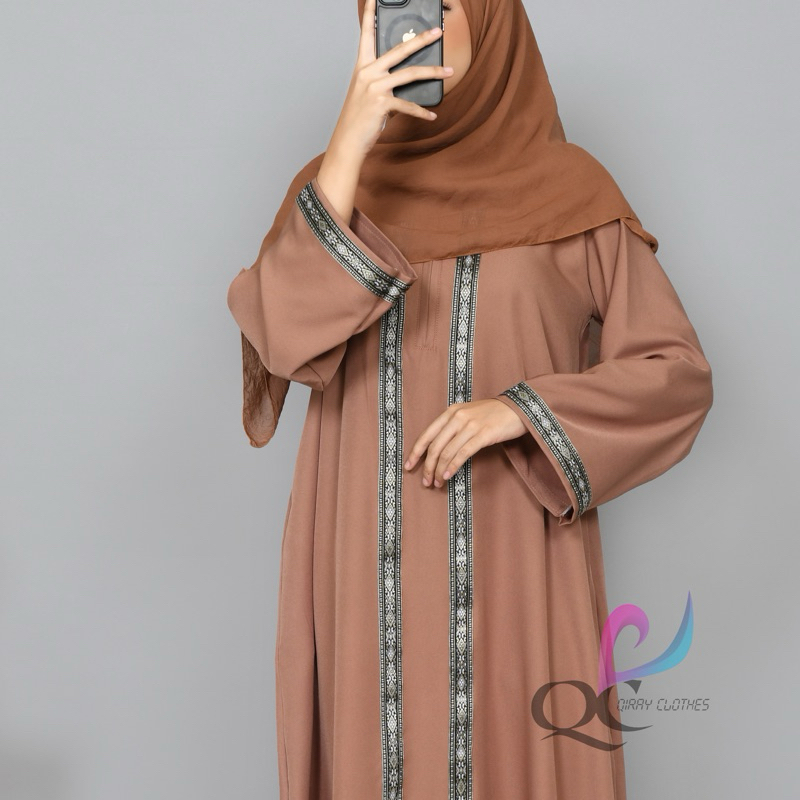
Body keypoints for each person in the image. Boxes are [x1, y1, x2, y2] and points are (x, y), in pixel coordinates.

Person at [225, 0, 714, 797]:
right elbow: (279, 340)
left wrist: (522, 411)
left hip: (515, 557)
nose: (411, 29)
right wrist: (346, 148)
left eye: (439, 5)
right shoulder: (334, 190)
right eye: (388, 7)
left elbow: (675, 372)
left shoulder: (571, 193)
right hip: (362, 560)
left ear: (491, 24)